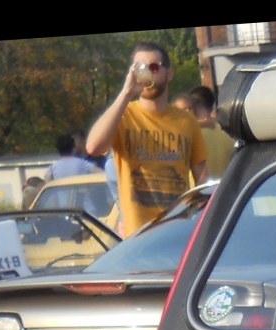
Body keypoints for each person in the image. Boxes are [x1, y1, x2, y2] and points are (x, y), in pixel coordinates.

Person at [86, 40, 208, 235]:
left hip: (178, 231)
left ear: (169, 74)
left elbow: (201, 176)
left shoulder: (187, 121)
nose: (146, 74)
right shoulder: (124, 115)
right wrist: (126, 93)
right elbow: (93, 147)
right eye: (139, 68)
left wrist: (198, 219)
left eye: (153, 67)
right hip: (138, 235)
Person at [188, 85, 234, 179]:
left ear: (192, 106)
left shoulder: (190, 135)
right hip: (223, 190)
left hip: (198, 191)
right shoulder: (228, 134)